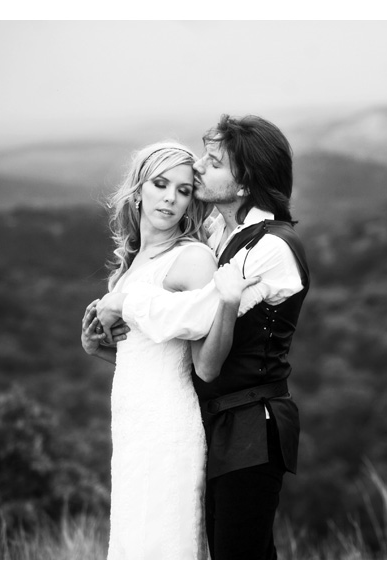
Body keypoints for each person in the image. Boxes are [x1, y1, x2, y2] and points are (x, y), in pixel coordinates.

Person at [95, 114, 310, 559]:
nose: (199, 170)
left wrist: (124, 304)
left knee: (241, 557)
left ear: (245, 184)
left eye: (212, 164)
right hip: (217, 419)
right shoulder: (220, 233)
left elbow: (200, 319)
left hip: (254, 420)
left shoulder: (271, 248)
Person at [80, 141, 260, 559]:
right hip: (130, 429)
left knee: (162, 545)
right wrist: (97, 348)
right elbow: (146, 359)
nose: (170, 198)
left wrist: (228, 304)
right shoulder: (129, 266)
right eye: (161, 184)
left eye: (183, 190)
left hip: (166, 429)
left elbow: (200, 362)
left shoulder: (193, 258)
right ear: (139, 188)